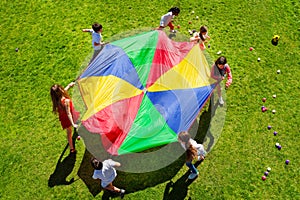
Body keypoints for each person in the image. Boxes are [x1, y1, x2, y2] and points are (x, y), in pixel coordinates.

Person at [50, 82, 80, 153]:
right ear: (60, 91)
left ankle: (72, 148)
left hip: (63, 118)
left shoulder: (57, 100)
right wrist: (72, 123)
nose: (62, 88)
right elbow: (68, 113)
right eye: (60, 88)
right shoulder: (65, 101)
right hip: (69, 117)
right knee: (76, 124)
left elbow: (65, 91)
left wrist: (69, 85)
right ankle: (78, 133)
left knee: (69, 133)